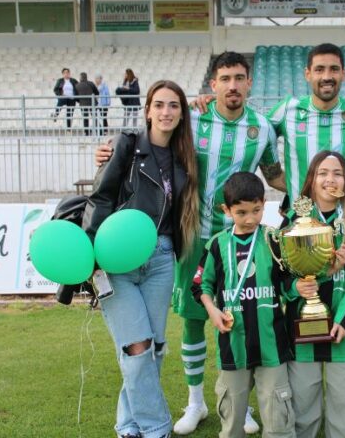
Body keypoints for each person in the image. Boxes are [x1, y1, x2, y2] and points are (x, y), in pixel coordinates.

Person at [95, 52, 285, 435]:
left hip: (238, 241)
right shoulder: (192, 118)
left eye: (239, 78)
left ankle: (240, 404)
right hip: (191, 238)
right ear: (212, 85)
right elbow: (152, 141)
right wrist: (108, 151)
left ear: (249, 83)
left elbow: (273, 173)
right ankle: (195, 402)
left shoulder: (263, 128)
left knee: (243, 320)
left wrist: (313, 190)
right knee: (194, 323)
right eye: (225, 78)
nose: (232, 85)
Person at [82, 80, 200, 438]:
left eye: (174, 106)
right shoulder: (125, 146)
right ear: (147, 109)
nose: (166, 112)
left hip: (162, 258)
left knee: (153, 349)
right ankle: (155, 428)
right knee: (137, 347)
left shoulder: (185, 158)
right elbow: (100, 198)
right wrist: (92, 255)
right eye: (160, 105)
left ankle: (128, 426)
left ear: (182, 114)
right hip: (117, 259)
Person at [193, 43, 345, 199]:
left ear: (343, 74)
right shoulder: (286, 111)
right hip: (300, 223)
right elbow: (249, 128)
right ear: (308, 74)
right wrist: (212, 102)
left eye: (333, 69)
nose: (326, 77)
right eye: (319, 70)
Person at [192, 172, 295, 438]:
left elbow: (286, 284)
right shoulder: (217, 244)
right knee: (232, 421)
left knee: (278, 420)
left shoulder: (274, 240)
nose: (250, 219)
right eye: (241, 212)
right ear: (227, 210)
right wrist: (212, 311)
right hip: (233, 346)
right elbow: (201, 285)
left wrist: (299, 287)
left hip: (271, 346)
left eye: (257, 210)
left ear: (264, 203)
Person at [283, 151, 345, 438]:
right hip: (302, 331)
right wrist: (294, 288)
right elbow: (282, 277)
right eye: (322, 172)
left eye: (337, 173)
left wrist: (344, 323)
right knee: (302, 415)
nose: (329, 179)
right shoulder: (294, 222)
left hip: (343, 334)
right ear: (311, 180)